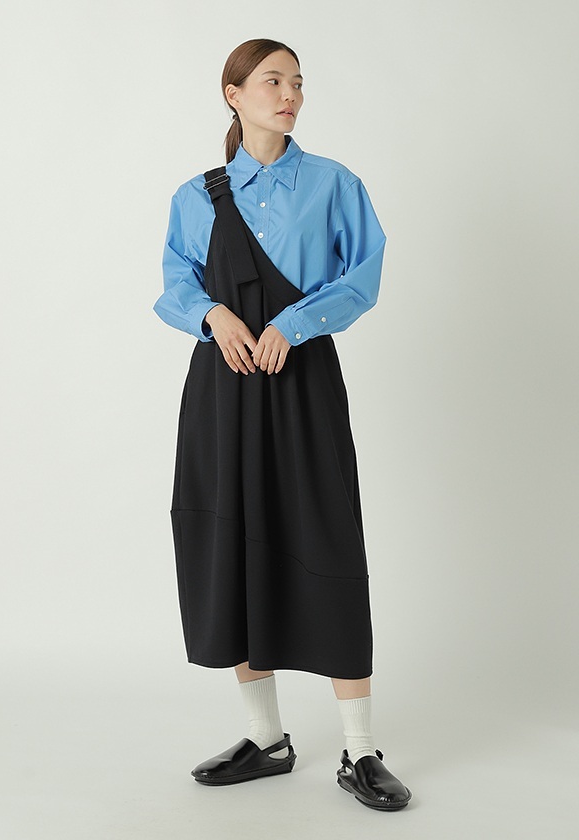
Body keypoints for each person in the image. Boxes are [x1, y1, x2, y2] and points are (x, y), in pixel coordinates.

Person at [153, 38, 412, 811]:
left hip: (303, 387)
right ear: (233, 94)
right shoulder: (196, 196)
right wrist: (212, 316)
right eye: (272, 81)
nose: (290, 93)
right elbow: (174, 281)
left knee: (328, 539)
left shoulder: (334, 184)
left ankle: (359, 750)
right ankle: (266, 740)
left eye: (297, 82)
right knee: (231, 543)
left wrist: (294, 325)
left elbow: (362, 277)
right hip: (222, 389)